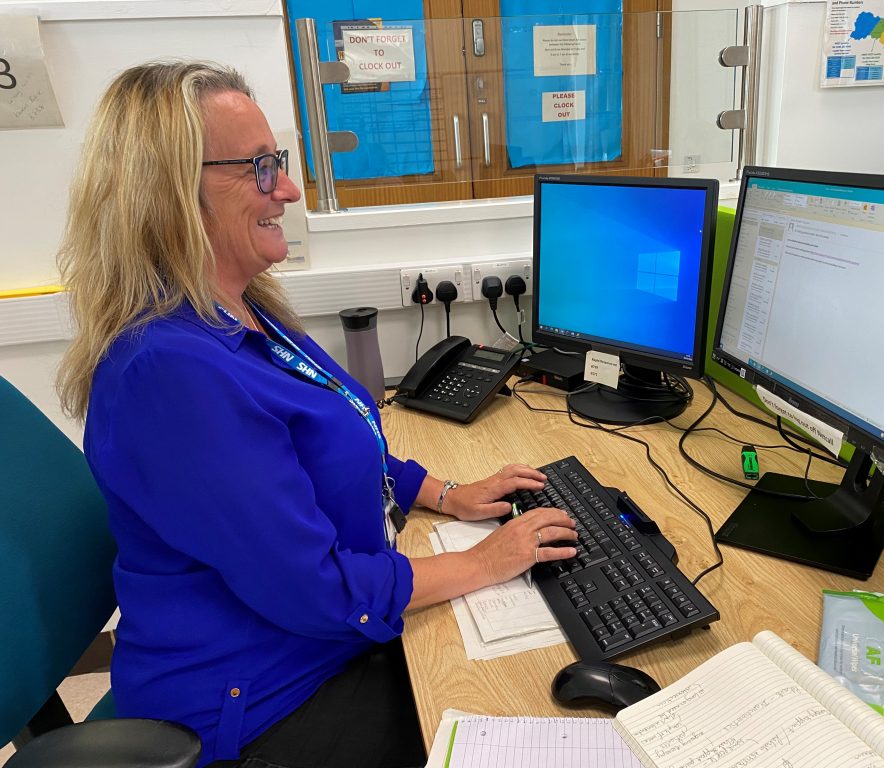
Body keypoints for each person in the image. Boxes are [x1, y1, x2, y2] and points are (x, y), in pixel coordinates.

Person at [55, 60, 578, 768]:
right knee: (525, 709)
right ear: (172, 192)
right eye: (261, 168)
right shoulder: (170, 373)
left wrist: (446, 495)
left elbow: (330, 432)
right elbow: (318, 591)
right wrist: (487, 563)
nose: (290, 189)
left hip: (304, 646)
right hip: (258, 700)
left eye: (282, 163)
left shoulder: (244, 310)